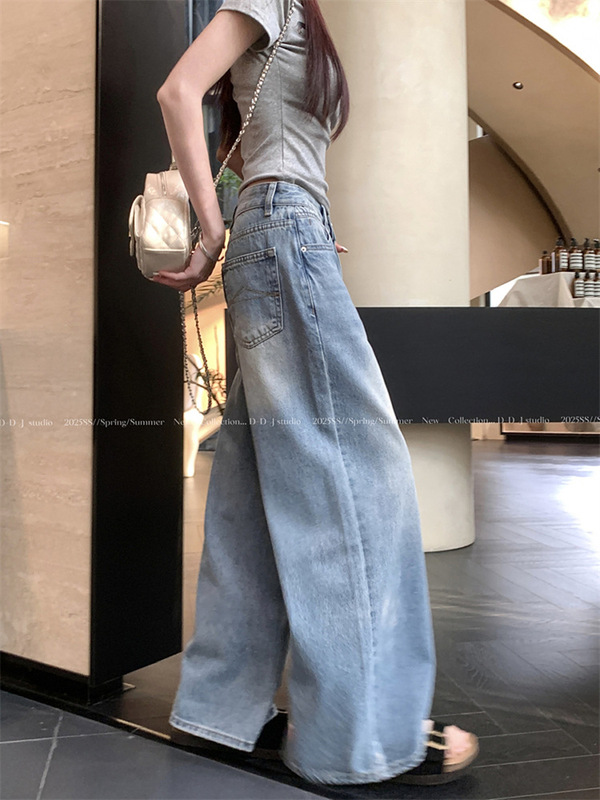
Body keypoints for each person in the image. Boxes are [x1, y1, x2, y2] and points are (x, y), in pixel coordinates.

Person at [153, 0, 479, 787]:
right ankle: (364, 731)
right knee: (359, 478)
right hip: (279, 237)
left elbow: (266, 146)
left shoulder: (292, 15)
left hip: (285, 233)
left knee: (250, 493)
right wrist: (216, 228)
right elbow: (178, 91)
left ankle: (219, 710)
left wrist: (296, 217)